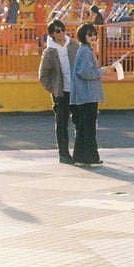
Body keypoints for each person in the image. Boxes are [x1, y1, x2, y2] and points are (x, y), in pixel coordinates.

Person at [70, 23, 112, 165]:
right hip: (87, 95)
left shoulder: (84, 50)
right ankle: (90, 157)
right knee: (88, 127)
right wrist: (102, 71)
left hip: (83, 95)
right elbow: (85, 72)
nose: (93, 37)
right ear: (83, 36)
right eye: (90, 34)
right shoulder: (86, 51)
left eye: (94, 34)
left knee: (83, 127)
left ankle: (81, 157)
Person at [38, 20, 79, 165]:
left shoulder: (74, 45)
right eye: (57, 31)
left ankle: (80, 152)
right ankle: (64, 153)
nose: (61, 33)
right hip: (61, 93)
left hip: (76, 91)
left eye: (62, 29)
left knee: (80, 122)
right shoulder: (49, 52)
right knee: (62, 124)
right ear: (51, 34)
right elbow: (43, 75)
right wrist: (54, 89)